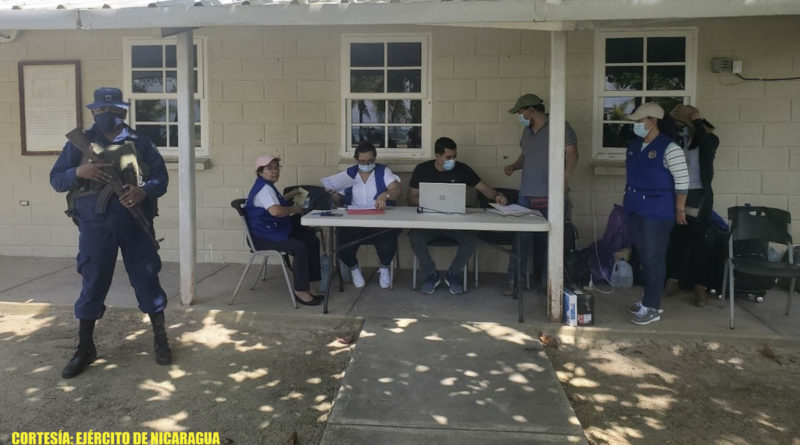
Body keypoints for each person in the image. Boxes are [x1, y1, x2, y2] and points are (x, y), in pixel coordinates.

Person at [50, 87, 171, 378]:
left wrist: (143, 191)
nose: (107, 115)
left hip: (135, 222)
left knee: (146, 279)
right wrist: (80, 173)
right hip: (95, 226)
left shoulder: (140, 141)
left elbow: (161, 178)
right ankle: (85, 347)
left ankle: (160, 338)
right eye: (102, 111)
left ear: (124, 111)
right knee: (93, 283)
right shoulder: (79, 145)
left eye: (114, 110)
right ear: (93, 112)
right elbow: (56, 179)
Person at [407, 137, 508, 295]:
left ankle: (453, 274)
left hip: (457, 224)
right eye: (448, 157)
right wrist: (429, 201)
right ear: (437, 156)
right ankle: (431, 274)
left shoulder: (462, 169)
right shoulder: (422, 169)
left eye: (454, 156)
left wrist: (497, 195)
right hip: (429, 222)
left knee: (472, 238)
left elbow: (484, 188)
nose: (452, 160)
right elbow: (411, 197)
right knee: (415, 237)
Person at [503, 93, 579, 295]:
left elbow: (572, 153)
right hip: (526, 195)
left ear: (530, 110)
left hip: (552, 196)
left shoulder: (560, 126)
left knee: (552, 243)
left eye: (520, 112)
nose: (519, 116)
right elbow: (525, 156)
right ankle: (514, 281)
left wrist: (565, 176)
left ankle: (550, 285)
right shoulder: (526, 131)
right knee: (521, 240)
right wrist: (514, 166)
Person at [623, 102, 689, 325]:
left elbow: (682, 181)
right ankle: (646, 300)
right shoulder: (634, 145)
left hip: (657, 210)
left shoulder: (671, 148)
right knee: (644, 256)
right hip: (634, 206)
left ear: (652, 121)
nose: (636, 126)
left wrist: (680, 209)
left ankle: (653, 305)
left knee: (654, 258)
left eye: (640, 121)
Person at [245, 154, 323, 306]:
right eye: (269, 169)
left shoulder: (267, 186)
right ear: (260, 172)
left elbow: (272, 204)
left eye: (276, 168)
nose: (275, 171)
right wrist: (295, 208)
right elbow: (276, 211)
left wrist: (289, 195)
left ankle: (309, 285)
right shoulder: (264, 189)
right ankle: (300, 290)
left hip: (271, 231)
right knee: (300, 247)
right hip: (262, 237)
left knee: (312, 241)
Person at [664, 104, 719, 307]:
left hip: (699, 195)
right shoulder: (680, 141)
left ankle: (700, 287)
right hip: (680, 193)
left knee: (698, 242)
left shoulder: (710, 140)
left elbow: (705, 144)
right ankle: (674, 279)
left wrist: (695, 119)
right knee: (678, 239)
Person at [329, 142, 403, 289]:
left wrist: (385, 194)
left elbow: (397, 191)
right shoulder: (349, 173)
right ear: (356, 159)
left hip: (379, 221)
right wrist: (333, 193)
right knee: (342, 245)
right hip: (354, 222)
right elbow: (339, 199)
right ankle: (355, 268)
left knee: (388, 242)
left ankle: (384, 268)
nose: (367, 164)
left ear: (374, 158)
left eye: (370, 160)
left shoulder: (383, 171)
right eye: (362, 161)